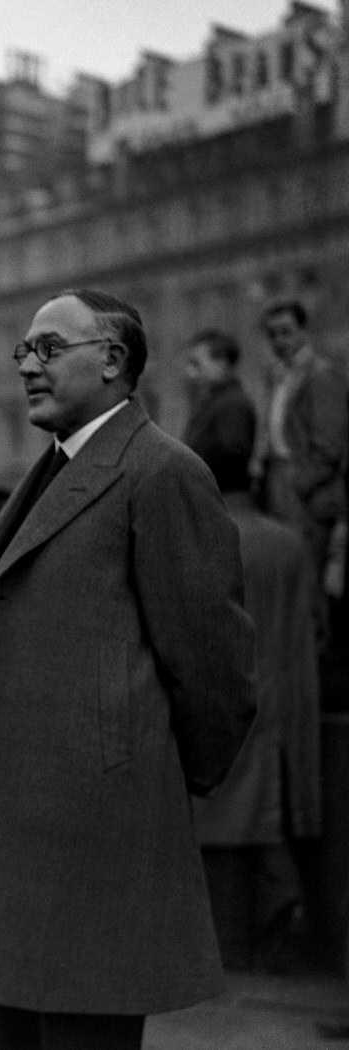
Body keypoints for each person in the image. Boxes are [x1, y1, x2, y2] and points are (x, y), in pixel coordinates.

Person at [0, 289, 256, 1049]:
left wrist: (143, 779)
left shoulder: (163, 472)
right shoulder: (55, 467)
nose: (27, 368)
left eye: (48, 349)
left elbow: (212, 666)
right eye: (23, 352)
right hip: (9, 835)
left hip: (91, 836)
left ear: (112, 360)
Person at [180, 353, 321, 972]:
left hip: (221, 724)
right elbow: (314, 626)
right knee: (269, 842)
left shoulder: (203, 539)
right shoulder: (289, 544)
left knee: (222, 861)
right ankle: (279, 932)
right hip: (285, 717)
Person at [259, 298, 348, 599]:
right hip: (281, 481)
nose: (279, 341)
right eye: (272, 334)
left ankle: (318, 645)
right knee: (289, 580)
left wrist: (300, 484)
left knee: (309, 586)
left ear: (303, 331)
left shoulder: (320, 375)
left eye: (286, 332)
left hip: (306, 492)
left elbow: (330, 446)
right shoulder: (279, 376)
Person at [182, 327, 257, 496]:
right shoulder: (214, 401)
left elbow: (231, 458)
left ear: (222, 362)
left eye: (197, 364)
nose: (190, 373)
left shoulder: (232, 404)